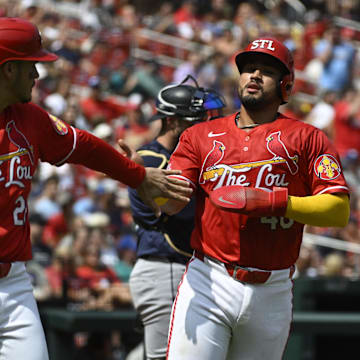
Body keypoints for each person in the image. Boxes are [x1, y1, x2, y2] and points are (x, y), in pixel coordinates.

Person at [0, 17, 191, 360]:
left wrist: (139, 176)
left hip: (13, 281)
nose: (38, 75)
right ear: (9, 69)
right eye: (32, 65)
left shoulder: (29, 119)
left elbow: (86, 146)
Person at [161, 37, 350, 359]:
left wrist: (274, 201)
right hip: (211, 277)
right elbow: (171, 201)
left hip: (273, 288)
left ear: (285, 85)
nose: (254, 76)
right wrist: (142, 179)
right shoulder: (199, 135)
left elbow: (338, 210)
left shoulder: (308, 137)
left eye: (266, 71)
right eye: (248, 69)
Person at [125, 75, 226, 360]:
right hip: (164, 268)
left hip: (184, 269)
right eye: (196, 120)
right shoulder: (150, 160)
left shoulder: (193, 158)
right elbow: (172, 213)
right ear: (171, 121)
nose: (205, 127)